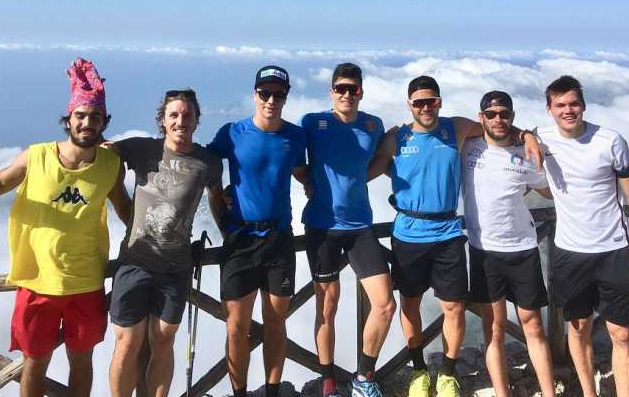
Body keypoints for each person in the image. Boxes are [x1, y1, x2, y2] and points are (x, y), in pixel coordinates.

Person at [368, 76, 541, 397]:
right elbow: (367, 169)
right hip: (408, 233)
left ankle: (447, 373)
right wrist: (320, 184)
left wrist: (527, 135)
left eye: (431, 101)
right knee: (410, 304)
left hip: (448, 232)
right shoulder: (396, 138)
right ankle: (419, 370)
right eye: (419, 102)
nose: (425, 107)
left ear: (439, 102)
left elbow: (495, 127)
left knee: (454, 307)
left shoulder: (456, 128)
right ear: (409, 105)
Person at [0, 58, 130, 397]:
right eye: (80, 115)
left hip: (86, 281)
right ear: (68, 119)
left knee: (81, 361)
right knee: (34, 362)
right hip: (37, 281)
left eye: (95, 117)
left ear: (104, 122)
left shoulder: (111, 165)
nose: (87, 123)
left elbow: (126, 211)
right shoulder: (36, 156)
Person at [541, 75, 629, 397]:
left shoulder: (610, 141)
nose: (568, 110)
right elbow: (502, 132)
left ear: (583, 105)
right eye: (560, 105)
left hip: (613, 250)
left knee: (621, 332)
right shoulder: (541, 139)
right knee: (578, 328)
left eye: (573, 103)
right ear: (549, 109)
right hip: (569, 252)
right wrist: (525, 137)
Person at [107, 89, 223, 397]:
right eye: (174, 115)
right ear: (162, 120)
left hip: (175, 268)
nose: (180, 121)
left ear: (196, 120)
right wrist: (119, 200)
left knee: (163, 341)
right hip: (134, 262)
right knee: (127, 342)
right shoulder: (140, 148)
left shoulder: (209, 163)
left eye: (187, 115)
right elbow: (103, 154)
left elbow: (217, 199)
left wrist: (230, 236)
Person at [207, 65, 307, 397]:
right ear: (255, 95)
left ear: (285, 97)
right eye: (265, 93)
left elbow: (301, 171)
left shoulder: (295, 136)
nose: (271, 100)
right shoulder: (232, 133)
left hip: (279, 238)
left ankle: (272, 391)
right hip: (240, 239)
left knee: (276, 323)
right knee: (237, 327)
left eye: (279, 94)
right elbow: (204, 165)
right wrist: (218, 204)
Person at [299, 62, 396, 397]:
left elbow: (381, 158)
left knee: (385, 304)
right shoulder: (312, 123)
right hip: (321, 226)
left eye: (352, 89)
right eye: (340, 88)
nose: (346, 94)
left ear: (361, 92)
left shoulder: (372, 125)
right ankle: (327, 382)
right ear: (331, 92)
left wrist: (358, 179)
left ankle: (363, 378)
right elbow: (292, 156)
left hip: (360, 226)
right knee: (327, 308)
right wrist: (310, 181)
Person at [462, 91, 554, 396]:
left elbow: (550, 191)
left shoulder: (526, 154)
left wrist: (529, 138)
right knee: (493, 328)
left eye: (504, 114)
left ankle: (549, 392)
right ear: (481, 117)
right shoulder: (467, 147)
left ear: (512, 117)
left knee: (533, 325)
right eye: (491, 114)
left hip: (522, 248)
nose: (498, 119)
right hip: (484, 250)